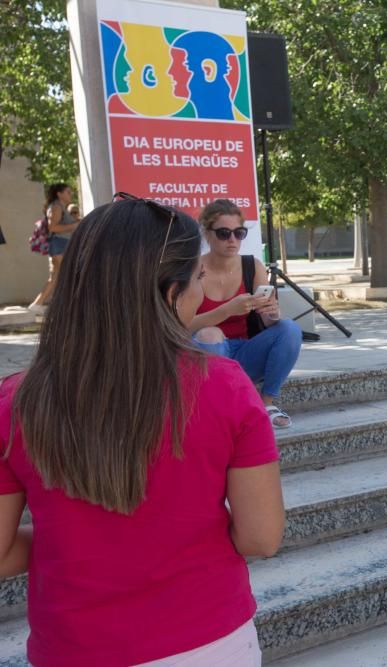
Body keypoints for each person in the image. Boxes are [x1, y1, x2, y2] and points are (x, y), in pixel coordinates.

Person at [0, 195, 285, 665]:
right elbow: (261, 537)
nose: (201, 290)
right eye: (196, 278)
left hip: (72, 648)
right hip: (208, 640)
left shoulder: (16, 402)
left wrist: (70, 537)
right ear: (171, 293)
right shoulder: (226, 388)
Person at [190, 199, 301, 429]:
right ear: (206, 233)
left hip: (243, 350)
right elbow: (181, 325)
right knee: (211, 334)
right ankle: (221, 408)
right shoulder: (192, 270)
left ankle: (266, 402)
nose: (232, 240)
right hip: (203, 354)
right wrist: (226, 310)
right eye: (223, 233)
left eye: (238, 233)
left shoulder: (253, 266)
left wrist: (271, 313)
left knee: (289, 328)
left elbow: (269, 323)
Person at [28, 184, 79, 315]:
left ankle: (41, 304)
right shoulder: (56, 207)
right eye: (68, 192)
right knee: (58, 276)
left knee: (58, 276)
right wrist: (75, 225)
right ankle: (39, 304)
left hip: (62, 245)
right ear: (59, 193)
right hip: (59, 245)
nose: (70, 194)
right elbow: (53, 228)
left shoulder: (60, 207)